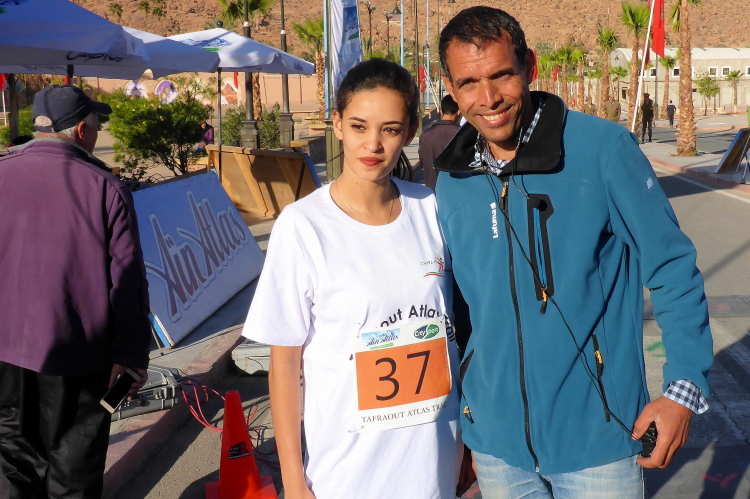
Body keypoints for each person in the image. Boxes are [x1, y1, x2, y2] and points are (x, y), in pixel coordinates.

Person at [433, 7, 712, 498]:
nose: (488, 98)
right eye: (469, 83)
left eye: (501, 75)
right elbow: (459, 312)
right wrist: (464, 428)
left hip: (599, 444)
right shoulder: (452, 180)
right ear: (451, 89)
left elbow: (672, 267)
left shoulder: (603, 150)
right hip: (495, 449)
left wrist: (683, 389)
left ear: (529, 67)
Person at [242, 58, 468, 498]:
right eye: (360, 126)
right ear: (338, 124)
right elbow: (284, 363)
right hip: (346, 473)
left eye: (390, 129)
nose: (373, 144)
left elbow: (457, 333)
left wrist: (467, 446)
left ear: (409, 132)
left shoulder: (431, 209)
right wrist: (293, 477)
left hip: (434, 465)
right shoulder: (303, 226)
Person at [0, 85, 152, 498]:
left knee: (11, 461)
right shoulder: (104, 187)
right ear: (82, 130)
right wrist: (131, 355)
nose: (98, 132)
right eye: (97, 125)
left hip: (7, 354)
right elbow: (127, 282)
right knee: (74, 469)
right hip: (79, 356)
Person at [419, 94, 461, 190]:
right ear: (459, 112)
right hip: (456, 191)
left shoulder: (425, 135)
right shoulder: (462, 134)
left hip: (432, 190)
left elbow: (423, 162)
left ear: (441, 111)